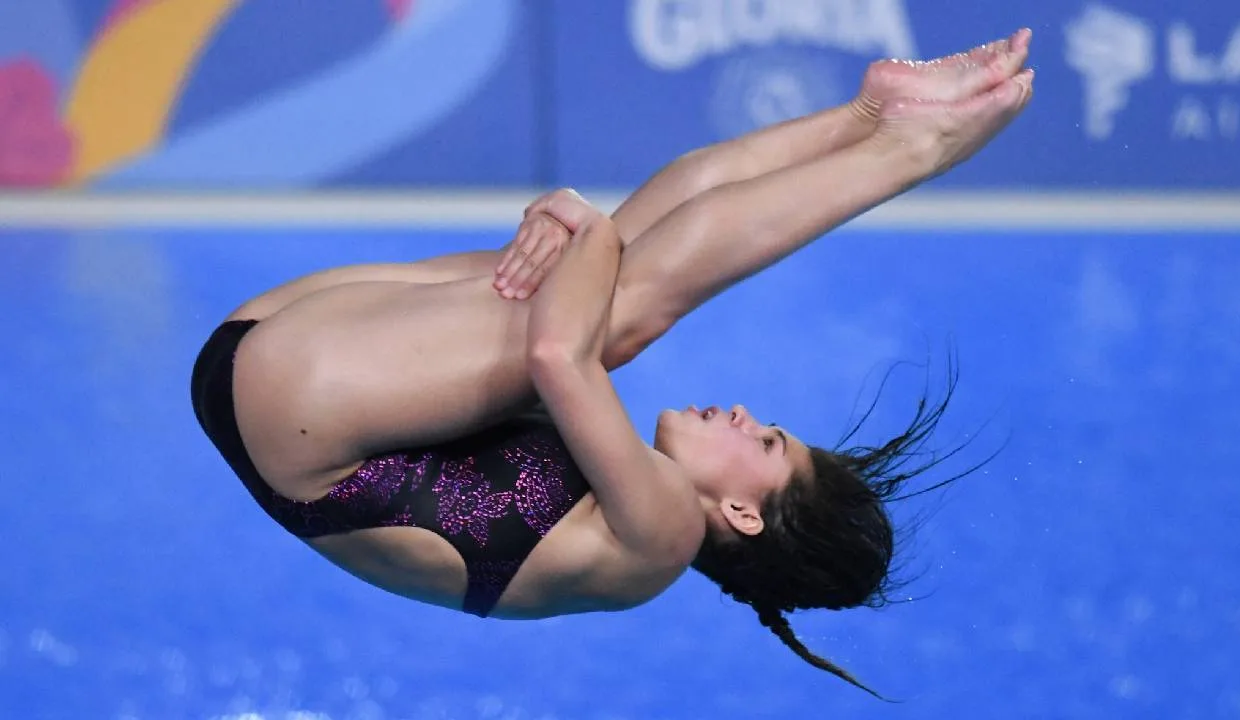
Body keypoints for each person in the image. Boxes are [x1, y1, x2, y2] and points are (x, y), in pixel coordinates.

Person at [191, 30, 1035, 697]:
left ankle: (914, 150)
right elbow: (667, 217)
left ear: (742, 514)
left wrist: (583, 230)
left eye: (769, 441)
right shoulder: (633, 520)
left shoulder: (663, 534)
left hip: (291, 391)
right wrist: (589, 244)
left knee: (610, 313)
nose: (746, 415)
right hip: (271, 384)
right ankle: (867, 120)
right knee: (607, 273)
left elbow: (563, 355)